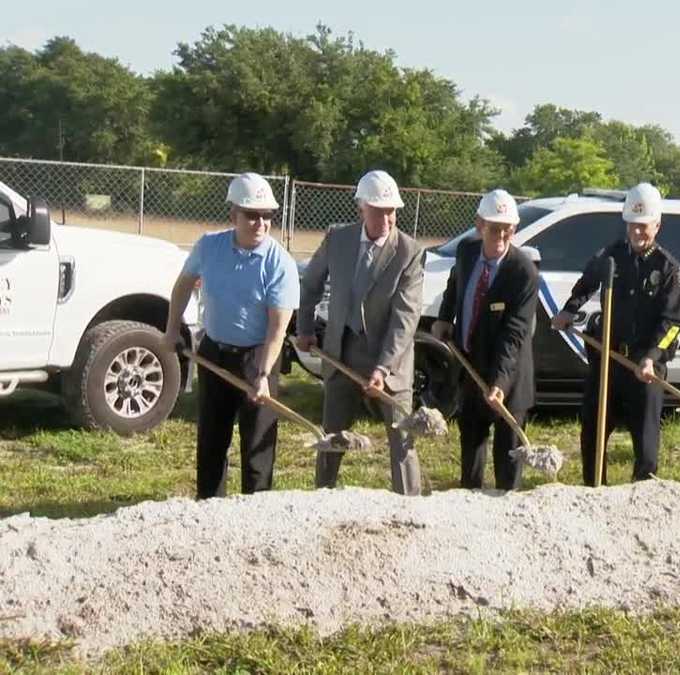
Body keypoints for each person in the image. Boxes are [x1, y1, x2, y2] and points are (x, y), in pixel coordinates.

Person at [163, 173, 299, 499]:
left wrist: (263, 375)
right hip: (213, 353)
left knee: (257, 448)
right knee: (211, 439)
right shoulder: (209, 246)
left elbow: (277, 328)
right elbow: (183, 284)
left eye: (267, 216)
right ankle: (210, 510)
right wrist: (171, 329)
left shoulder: (280, 263)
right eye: (252, 215)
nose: (260, 223)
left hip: (258, 355)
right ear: (233, 214)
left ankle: (256, 511)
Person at [295, 170, 424, 495]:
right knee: (332, 434)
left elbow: (405, 318)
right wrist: (306, 327)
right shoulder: (338, 239)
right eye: (379, 210)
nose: (387, 218)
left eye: (392, 210)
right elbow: (310, 283)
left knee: (402, 436)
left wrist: (382, 368)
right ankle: (323, 495)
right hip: (341, 352)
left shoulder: (409, 252)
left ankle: (410, 504)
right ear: (361, 207)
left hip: (389, 361)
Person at [549, 183, 680, 485]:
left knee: (646, 442)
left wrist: (651, 358)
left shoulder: (668, 268)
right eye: (632, 226)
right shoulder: (611, 255)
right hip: (608, 359)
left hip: (644, 366)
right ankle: (594, 488)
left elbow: (672, 322)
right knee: (593, 430)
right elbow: (586, 284)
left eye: (644, 227)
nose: (637, 233)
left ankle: (642, 493)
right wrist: (568, 310)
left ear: (657, 225)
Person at [431, 189, 538, 490]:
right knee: (472, 451)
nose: (501, 236)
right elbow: (456, 284)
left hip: (509, 380)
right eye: (494, 228)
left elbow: (515, 334)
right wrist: (444, 316)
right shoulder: (466, 251)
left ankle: (507, 515)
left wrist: (499, 383)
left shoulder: (524, 273)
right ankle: (470, 508)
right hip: (471, 368)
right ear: (479, 224)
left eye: (508, 229)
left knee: (508, 462)